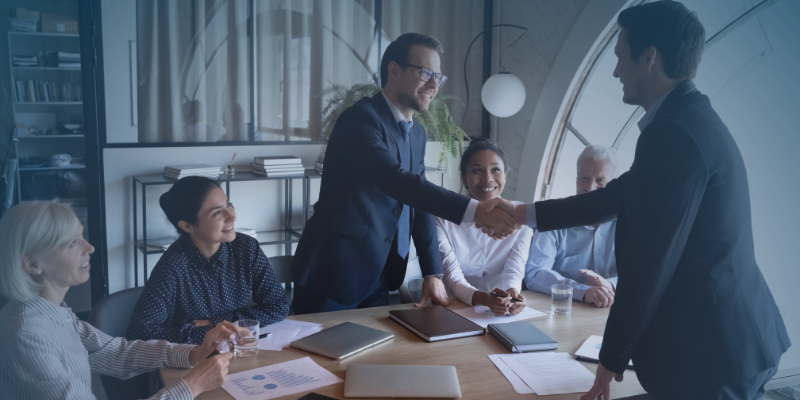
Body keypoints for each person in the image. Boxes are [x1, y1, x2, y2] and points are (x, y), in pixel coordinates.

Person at [486, 2, 790, 398]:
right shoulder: (686, 120)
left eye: (619, 56)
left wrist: (608, 364)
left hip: (714, 350)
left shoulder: (674, 133)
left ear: (649, 57)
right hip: (727, 340)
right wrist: (522, 213)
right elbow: (617, 196)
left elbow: (650, 261)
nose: (615, 71)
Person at [290, 33, 519, 314]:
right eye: (425, 74)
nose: (434, 85)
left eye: (438, 77)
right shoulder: (360, 120)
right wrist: (478, 210)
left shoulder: (417, 133)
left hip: (380, 274)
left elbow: (419, 201)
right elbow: (397, 181)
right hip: (334, 272)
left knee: (370, 358)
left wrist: (432, 273)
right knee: (316, 356)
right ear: (394, 71)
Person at [0, 200, 235, 399]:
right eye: (72, 243)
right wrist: (191, 386)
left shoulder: (51, 313)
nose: (90, 247)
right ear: (32, 264)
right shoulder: (27, 333)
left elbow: (117, 353)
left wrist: (194, 353)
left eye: (82, 236)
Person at [128, 176, 289, 345]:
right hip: (190, 360)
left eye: (229, 205)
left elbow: (278, 306)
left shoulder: (246, 247)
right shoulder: (172, 265)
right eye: (217, 212)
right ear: (187, 226)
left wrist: (217, 323)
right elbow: (139, 334)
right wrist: (207, 334)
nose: (232, 216)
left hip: (239, 351)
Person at [437, 138, 533, 315]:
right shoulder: (442, 219)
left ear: (505, 176)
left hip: (500, 309)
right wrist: (483, 298)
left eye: (495, 170)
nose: (487, 178)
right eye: (477, 170)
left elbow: (514, 269)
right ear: (465, 179)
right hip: (452, 306)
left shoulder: (521, 217)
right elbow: (451, 276)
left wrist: (513, 293)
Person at [524, 145, 618, 308]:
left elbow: (640, 273)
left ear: (613, 185)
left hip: (614, 312)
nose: (590, 188)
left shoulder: (627, 223)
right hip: (562, 311)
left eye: (600, 181)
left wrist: (610, 285)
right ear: (576, 178)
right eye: (584, 178)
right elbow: (535, 272)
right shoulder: (555, 218)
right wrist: (583, 291)